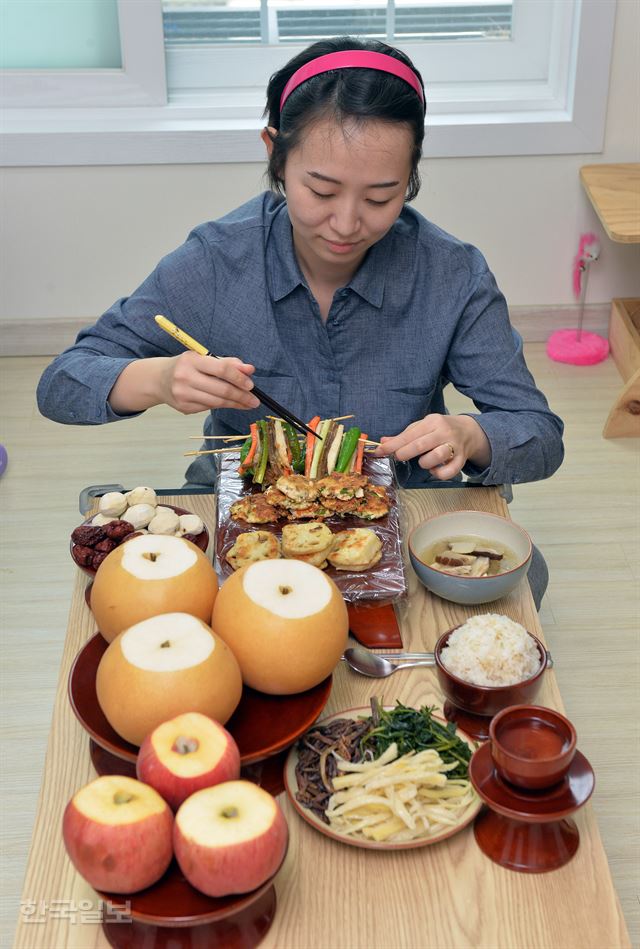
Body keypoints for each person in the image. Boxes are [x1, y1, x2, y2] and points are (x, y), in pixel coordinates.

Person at [37, 36, 563, 608]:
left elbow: (540, 434)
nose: (346, 223)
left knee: (522, 586)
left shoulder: (451, 272)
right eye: (321, 189)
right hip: (249, 520)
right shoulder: (218, 261)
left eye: (382, 197)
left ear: (411, 174)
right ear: (274, 154)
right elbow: (62, 383)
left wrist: (474, 435)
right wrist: (158, 380)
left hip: (398, 511)